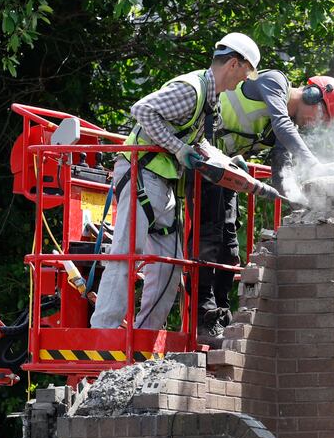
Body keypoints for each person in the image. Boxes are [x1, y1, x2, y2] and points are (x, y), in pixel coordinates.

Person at [90, 33, 261, 331]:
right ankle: (104, 333)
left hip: (164, 182)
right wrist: (178, 148)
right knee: (125, 255)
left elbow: (199, 140)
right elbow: (142, 110)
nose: (242, 83)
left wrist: (226, 160)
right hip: (141, 174)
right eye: (245, 74)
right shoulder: (191, 89)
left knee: (171, 265)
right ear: (234, 64)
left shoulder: (211, 97)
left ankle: (144, 337)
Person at [193, 71, 334, 346]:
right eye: (320, 116)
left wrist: (311, 207)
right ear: (312, 95)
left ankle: (220, 318)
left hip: (224, 171)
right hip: (203, 159)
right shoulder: (274, 82)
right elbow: (282, 126)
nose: (316, 123)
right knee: (210, 238)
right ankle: (202, 319)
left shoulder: (287, 127)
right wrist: (314, 164)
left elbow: (282, 174)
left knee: (229, 248)